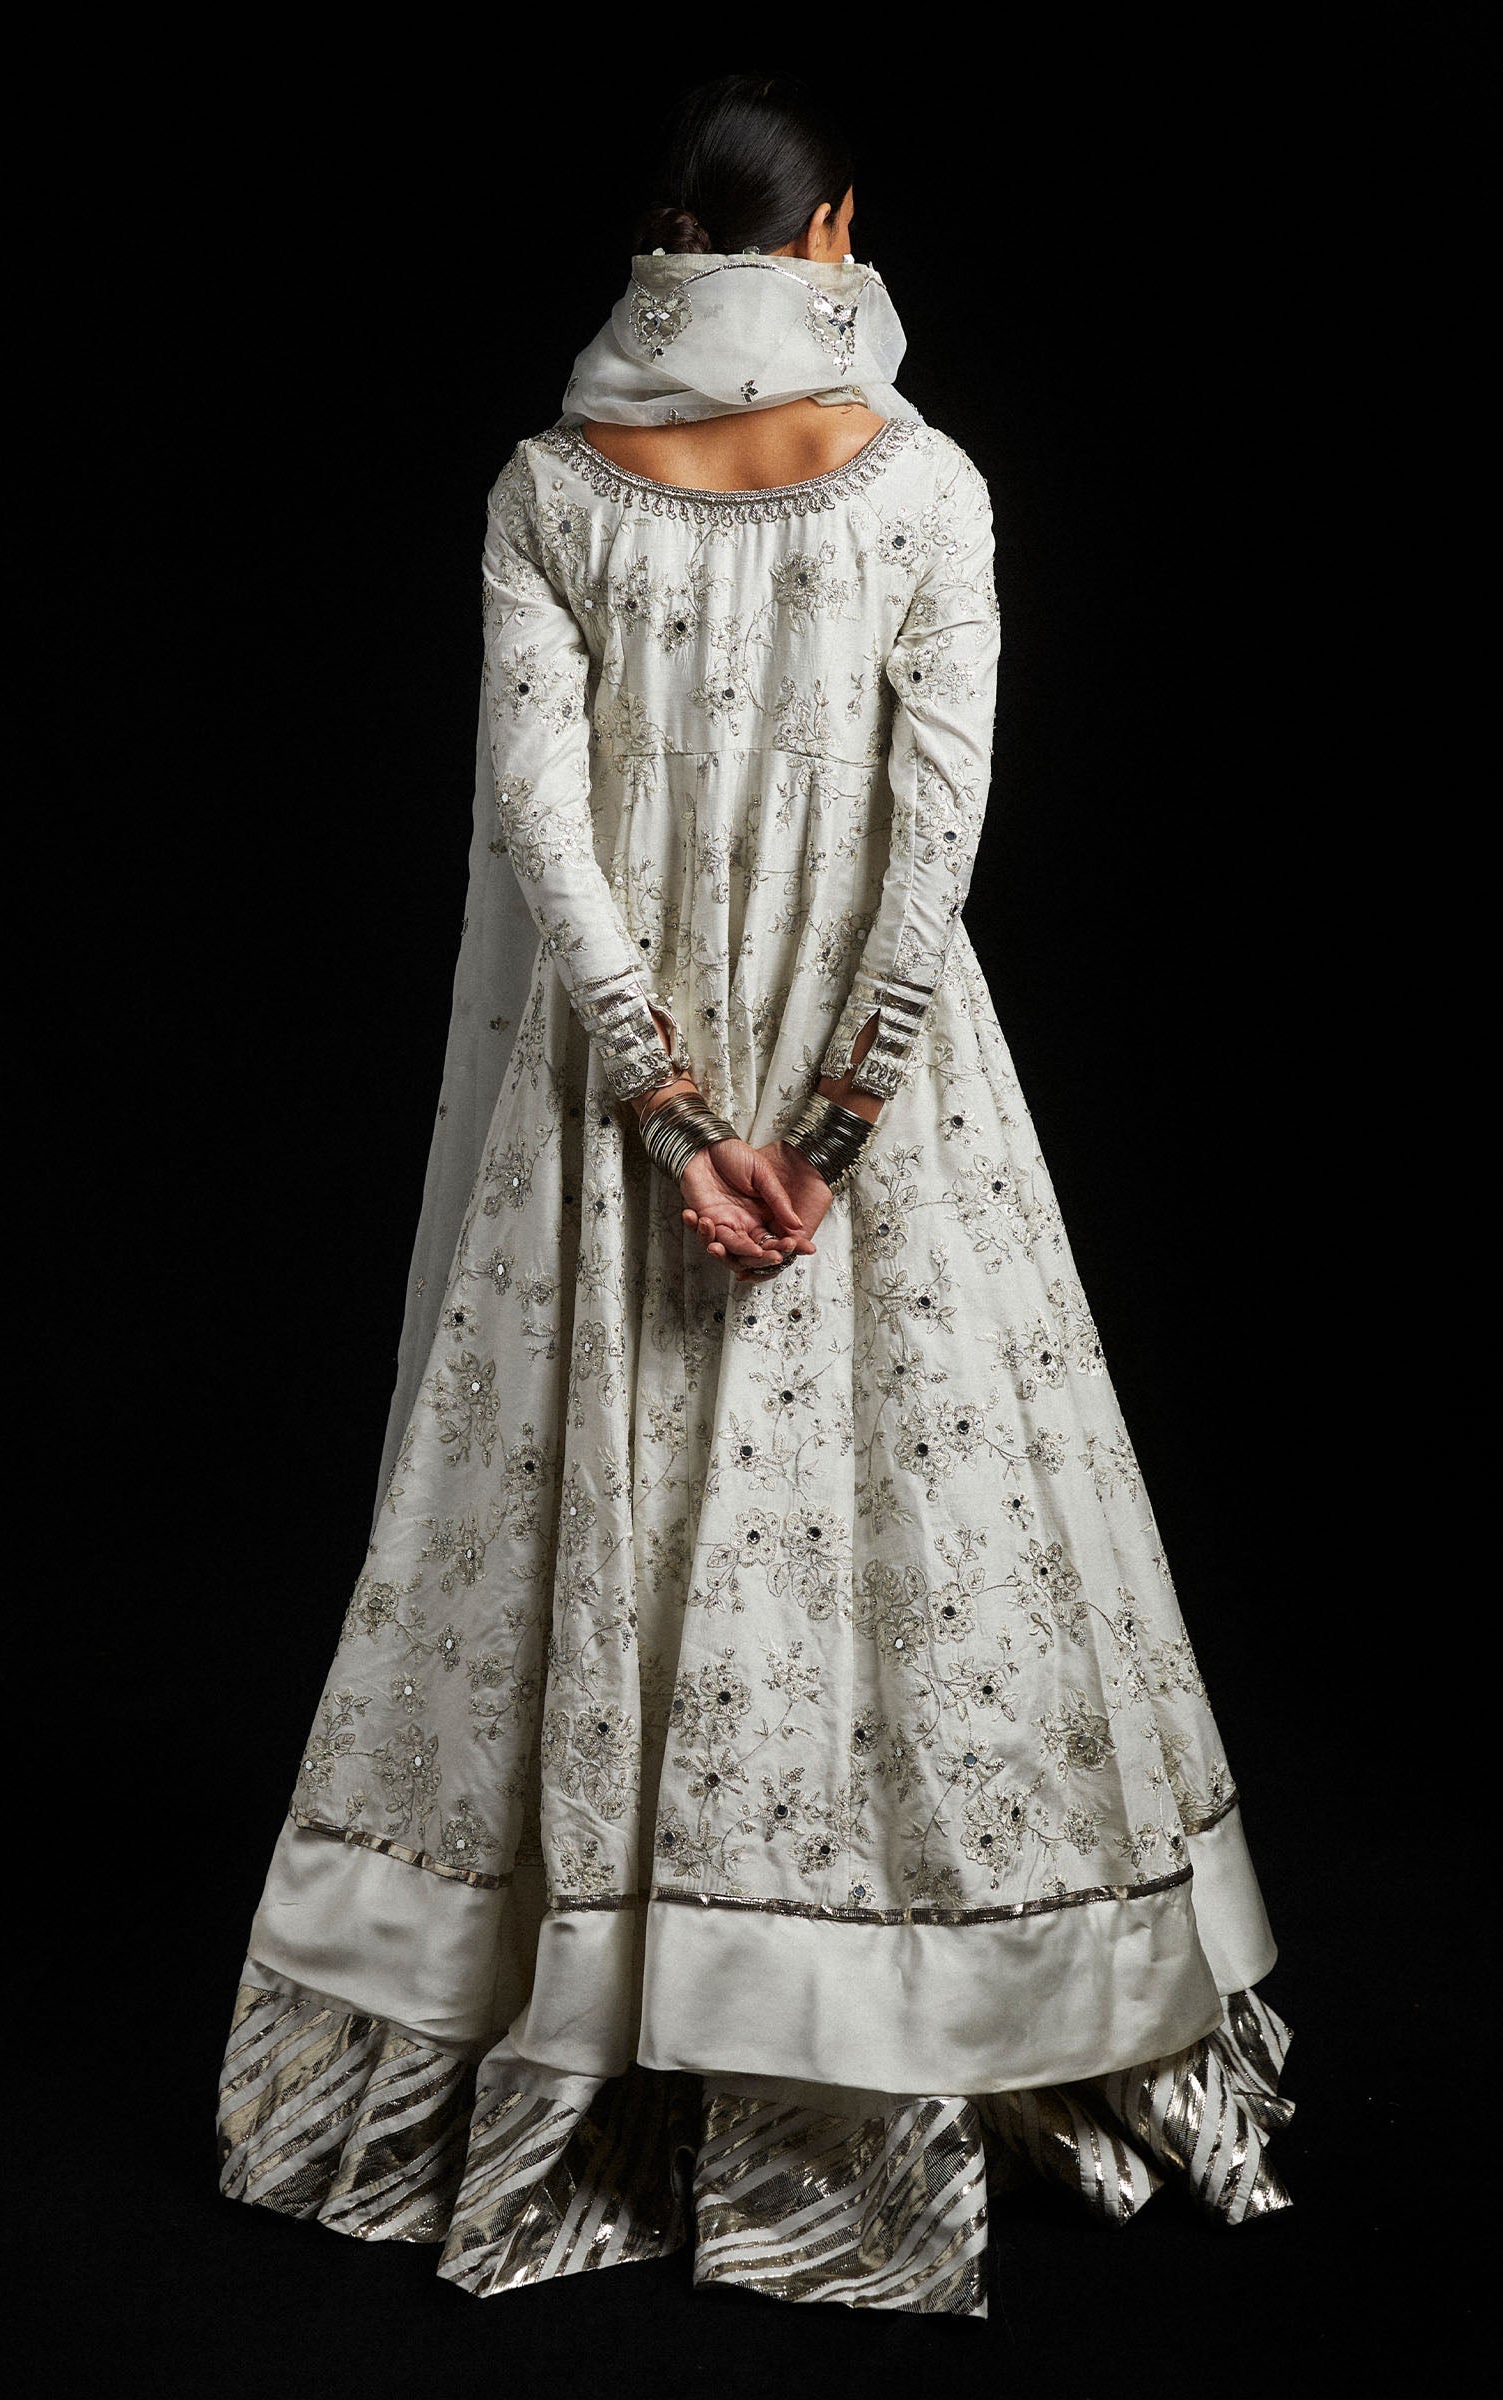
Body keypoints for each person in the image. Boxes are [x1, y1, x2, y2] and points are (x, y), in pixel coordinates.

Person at [217, 72, 1294, 2316]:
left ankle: (587, 2047)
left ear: (664, 237)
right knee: (923, 1561)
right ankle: (876, 2076)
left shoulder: (546, 490)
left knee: (595, 1535)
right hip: (857, 1094)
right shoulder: (924, 483)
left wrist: (663, 1101)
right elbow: (939, 829)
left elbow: (544, 826)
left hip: (630, 1107)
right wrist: (829, 1129)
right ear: (829, 237)